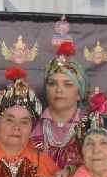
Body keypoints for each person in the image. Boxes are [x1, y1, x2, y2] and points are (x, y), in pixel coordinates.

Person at [31, 41, 87, 169]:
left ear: (79, 93)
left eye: (67, 84)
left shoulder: (92, 126)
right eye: (52, 83)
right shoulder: (31, 125)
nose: (59, 90)